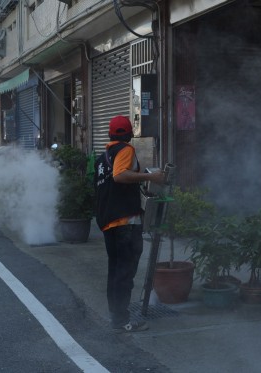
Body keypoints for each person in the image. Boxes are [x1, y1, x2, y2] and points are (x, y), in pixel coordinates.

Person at [94, 115, 165, 333]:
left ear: (109, 133)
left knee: (115, 272)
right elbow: (119, 176)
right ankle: (121, 320)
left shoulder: (101, 159)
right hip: (125, 223)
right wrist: (150, 178)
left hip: (108, 223)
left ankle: (116, 315)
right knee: (125, 273)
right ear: (129, 133)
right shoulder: (125, 150)